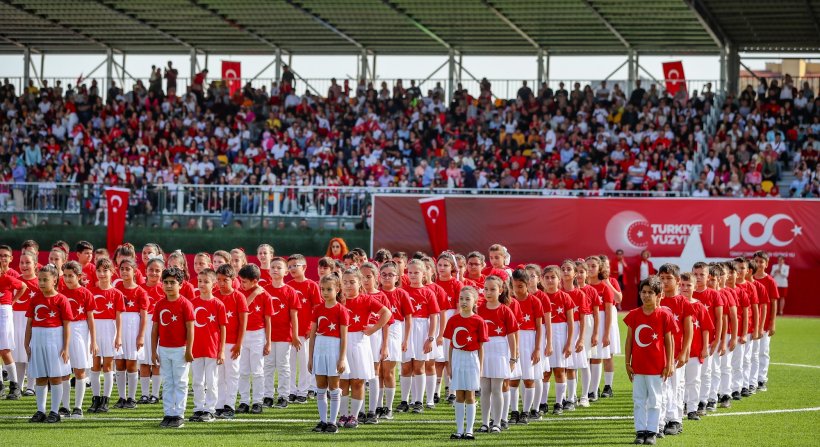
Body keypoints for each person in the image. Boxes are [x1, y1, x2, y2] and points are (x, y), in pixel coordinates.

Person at [336, 267, 390, 428]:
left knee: (358, 381)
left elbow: (386, 313)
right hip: (340, 343)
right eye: (345, 282)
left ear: (360, 282)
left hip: (359, 342)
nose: (348, 285)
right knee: (343, 381)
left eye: (352, 282)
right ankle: (343, 415)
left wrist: (373, 329)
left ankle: (354, 416)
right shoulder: (338, 300)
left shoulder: (366, 299)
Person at [624, 275, 674, 446]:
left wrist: (669, 363)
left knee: (655, 400)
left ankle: (652, 431)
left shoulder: (664, 315)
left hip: (657, 367)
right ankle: (640, 431)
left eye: (650, 292)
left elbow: (669, 341)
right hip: (638, 367)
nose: (646, 295)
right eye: (643, 292)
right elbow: (629, 340)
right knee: (639, 400)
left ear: (658, 295)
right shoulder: (633, 315)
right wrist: (627, 363)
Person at [24, 264, 73, 423]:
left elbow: (67, 325)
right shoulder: (35, 299)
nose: (41, 283)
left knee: (55, 376)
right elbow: (29, 323)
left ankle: (54, 412)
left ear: (55, 280)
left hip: (55, 341)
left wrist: (66, 347)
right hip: (37, 341)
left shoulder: (61, 299)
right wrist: (26, 343)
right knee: (40, 377)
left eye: (45, 279)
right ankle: (41, 410)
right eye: (40, 280)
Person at [151, 267, 195, 429]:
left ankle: (179, 414)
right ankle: (168, 413)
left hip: (180, 349)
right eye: (166, 282)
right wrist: (153, 351)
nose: (169, 285)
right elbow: (155, 329)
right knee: (168, 382)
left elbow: (190, 328)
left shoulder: (185, 304)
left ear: (181, 284)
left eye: (172, 282)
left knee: (181, 382)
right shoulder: (160, 304)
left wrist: (189, 350)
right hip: (164, 349)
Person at [444, 286, 488, 440]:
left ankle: (469, 430)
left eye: (467, 299)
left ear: (475, 301)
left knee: (470, 394)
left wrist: (480, 367)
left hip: (471, 358)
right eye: (461, 298)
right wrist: (449, 365)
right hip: (457, 358)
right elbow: (451, 345)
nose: (464, 301)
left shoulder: (479, 321)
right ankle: (459, 429)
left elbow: (481, 347)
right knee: (459, 395)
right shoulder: (453, 320)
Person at [476, 276, 518, 433]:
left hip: (499, 351)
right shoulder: (478, 309)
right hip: (483, 350)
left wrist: (513, 358)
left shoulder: (505, 310)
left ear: (500, 290)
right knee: (484, 389)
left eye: (492, 289)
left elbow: (512, 336)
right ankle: (484, 423)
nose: (488, 292)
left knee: (496, 389)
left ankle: (497, 422)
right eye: (486, 289)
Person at [396, 259, 438, 414]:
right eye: (410, 272)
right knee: (406, 366)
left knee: (419, 367)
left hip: (421, 330)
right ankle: (404, 401)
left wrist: (431, 338)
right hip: (406, 329)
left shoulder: (428, 292)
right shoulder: (402, 291)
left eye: (416, 272)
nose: (413, 275)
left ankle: (419, 401)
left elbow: (434, 316)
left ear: (424, 274)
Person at [308, 273, 349, 434]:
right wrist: (310, 358)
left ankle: (333, 422)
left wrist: (342, 358)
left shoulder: (342, 310)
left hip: (334, 349)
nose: (325, 292)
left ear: (337, 289)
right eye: (322, 289)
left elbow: (344, 337)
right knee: (320, 386)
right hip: (320, 349)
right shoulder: (317, 309)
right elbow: (312, 335)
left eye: (329, 289)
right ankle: (323, 420)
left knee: (333, 386)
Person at [657, 263, 693, 437]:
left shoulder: (683, 302)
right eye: (662, 278)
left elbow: (689, 329)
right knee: (661, 387)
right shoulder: (656, 300)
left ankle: (675, 420)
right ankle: (661, 419)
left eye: (669, 278)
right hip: (659, 353)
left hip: (676, 352)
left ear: (678, 280)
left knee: (676, 385)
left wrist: (685, 351)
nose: (664, 281)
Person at [262, 257, 301, 409]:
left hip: (284, 335)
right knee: (268, 366)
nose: (275, 270)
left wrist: (295, 335)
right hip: (267, 336)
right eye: (273, 267)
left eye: (279, 267)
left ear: (286, 272)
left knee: (284, 366)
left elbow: (294, 316)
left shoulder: (290, 291)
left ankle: (283, 396)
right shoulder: (264, 290)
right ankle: (268, 396)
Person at [87, 258, 124, 414]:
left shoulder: (117, 294)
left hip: (109, 330)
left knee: (108, 366)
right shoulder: (90, 291)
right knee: (94, 365)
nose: (102, 274)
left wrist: (118, 336)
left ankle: (105, 400)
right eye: (99, 271)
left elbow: (119, 317)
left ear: (112, 272)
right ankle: (95, 398)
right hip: (94, 330)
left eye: (105, 270)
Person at [189, 268, 227, 422]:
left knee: (211, 381)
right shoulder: (192, 303)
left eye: (206, 281)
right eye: (200, 281)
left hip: (212, 349)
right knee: (197, 381)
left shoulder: (218, 304)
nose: (202, 284)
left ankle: (210, 409)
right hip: (196, 349)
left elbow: (223, 328)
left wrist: (222, 350)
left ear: (214, 284)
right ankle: (198, 408)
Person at [508, 268, 544, 425]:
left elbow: (539, 327)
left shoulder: (535, 301)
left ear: (528, 284)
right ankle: (514, 411)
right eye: (514, 286)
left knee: (529, 379)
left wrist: (537, 349)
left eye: (520, 286)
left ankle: (526, 411)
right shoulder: (509, 301)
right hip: (513, 340)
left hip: (529, 340)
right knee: (513, 379)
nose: (517, 290)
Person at [61, 261, 97, 417]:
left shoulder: (85, 293)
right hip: (63, 330)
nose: (68, 279)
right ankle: (65, 406)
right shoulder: (60, 293)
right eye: (65, 275)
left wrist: (93, 341)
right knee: (64, 371)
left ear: (79, 276)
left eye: (71, 276)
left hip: (80, 330)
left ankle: (78, 407)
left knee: (80, 370)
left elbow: (91, 319)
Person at [378, 261, 412, 420]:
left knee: (389, 371)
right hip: (376, 330)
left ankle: (389, 407)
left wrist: (406, 340)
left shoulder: (401, 294)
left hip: (394, 330)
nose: (387, 278)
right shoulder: (376, 293)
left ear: (397, 277)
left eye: (390, 275)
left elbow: (408, 318)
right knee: (377, 372)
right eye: (384, 274)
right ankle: (377, 406)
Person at [236, 264, 271, 414]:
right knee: (243, 370)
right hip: (242, 334)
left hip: (258, 334)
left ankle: (257, 402)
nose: (241, 284)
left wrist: (268, 342)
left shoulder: (265, 295)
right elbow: (241, 307)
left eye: (244, 281)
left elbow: (268, 320)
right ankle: (244, 401)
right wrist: (254, 293)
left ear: (255, 281)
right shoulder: (239, 293)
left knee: (257, 370)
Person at [287, 254, 322, 403]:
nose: (292, 268)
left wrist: (311, 328)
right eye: (290, 266)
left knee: (304, 362)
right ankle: (291, 390)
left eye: (296, 265)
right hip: (290, 333)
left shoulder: (312, 285)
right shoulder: (288, 286)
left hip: (305, 332)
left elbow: (317, 308)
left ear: (304, 267)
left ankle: (303, 391)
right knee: (289, 363)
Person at [214, 264, 248, 419]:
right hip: (217, 344)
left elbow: (243, 323)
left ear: (233, 280)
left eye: (225, 280)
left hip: (233, 343)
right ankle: (219, 405)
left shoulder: (239, 297)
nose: (221, 283)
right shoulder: (214, 295)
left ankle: (230, 405)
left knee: (232, 374)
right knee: (219, 376)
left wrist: (239, 344)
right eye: (219, 279)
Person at [114, 259, 148, 409]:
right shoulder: (116, 288)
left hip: (133, 327)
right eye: (122, 268)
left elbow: (144, 316)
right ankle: (121, 397)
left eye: (128, 269)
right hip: (119, 326)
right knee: (119, 362)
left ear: (135, 271)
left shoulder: (140, 291)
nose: (124, 271)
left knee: (131, 363)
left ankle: (132, 398)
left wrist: (141, 335)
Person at [359, 262, 391, 423]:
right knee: (359, 373)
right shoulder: (356, 295)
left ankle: (372, 410)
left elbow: (386, 324)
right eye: (362, 277)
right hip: (358, 337)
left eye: (368, 277)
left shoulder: (381, 296)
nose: (365, 280)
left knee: (374, 372)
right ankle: (360, 411)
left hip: (375, 337)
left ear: (376, 277)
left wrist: (385, 346)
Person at [679, 272, 712, 421]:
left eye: (688, 285)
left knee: (694, 381)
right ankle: (680, 407)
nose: (685, 288)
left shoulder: (699, 306)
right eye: (682, 285)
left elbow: (706, 328)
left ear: (695, 287)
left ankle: (692, 409)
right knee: (679, 382)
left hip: (695, 350)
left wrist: (705, 347)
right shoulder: (675, 304)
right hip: (678, 352)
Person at [691, 262, 723, 416]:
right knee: (691, 374)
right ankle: (690, 401)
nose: (698, 277)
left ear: (708, 276)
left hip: (708, 340)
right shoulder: (687, 294)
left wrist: (717, 340)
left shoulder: (714, 294)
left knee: (706, 371)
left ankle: (704, 401)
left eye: (701, 274)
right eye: (695, 274)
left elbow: (719, 319)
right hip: (691, 341)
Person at [0, 244, 27, 399]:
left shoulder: (7, 277)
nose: (2, 259)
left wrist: (12, 301)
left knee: (5, 349)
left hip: (4, 311)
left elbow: (23, 286)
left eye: (5, 256)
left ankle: (15, 385)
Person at [585, 256, 613, 402]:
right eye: (587, 266)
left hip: (599, 324)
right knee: (586, 358)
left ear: (600, 268)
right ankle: (586, 390)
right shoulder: (582, 287)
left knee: (596, 357)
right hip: (586, 322)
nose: (590, 269)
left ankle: (593, 391)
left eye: (593, 266)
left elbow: (608, 313)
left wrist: (606, 334)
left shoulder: (605, 288)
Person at [139, 258, 165, 404]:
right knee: (144, 361)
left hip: (159, 326)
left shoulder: (164, 288)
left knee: (156, 361)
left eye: (157, 270)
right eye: (151, 270)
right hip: (143, 326)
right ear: (145, 271)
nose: (154, 273)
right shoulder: (139, 288)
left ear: (162, 272)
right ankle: (144, 394)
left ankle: (155, 394)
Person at [752, 251, 778, 392]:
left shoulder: (770, 281)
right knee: (750, 353)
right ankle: (750, 380)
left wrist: (772, 323)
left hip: (764, 324)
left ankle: (761, 379)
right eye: (756, 261)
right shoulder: (749, 280)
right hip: (750, 324)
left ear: (766, 264)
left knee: (763, 351)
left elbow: (773, 303)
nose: (758, 264)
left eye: (761, 261)